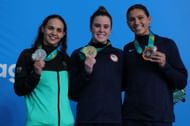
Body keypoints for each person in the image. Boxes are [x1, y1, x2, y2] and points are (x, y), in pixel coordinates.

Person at [122, 4, 188, 126]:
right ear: (128, 23)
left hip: (159, 117)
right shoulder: (128, 49)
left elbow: (182, 81)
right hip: (131, 117)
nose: (136, 22)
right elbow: (123, 83)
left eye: (140, 17)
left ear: (149, 19)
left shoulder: (167, 44)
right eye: (132, 19)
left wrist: (164, 65)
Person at [14, 14, 74, 126]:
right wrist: (36, 74)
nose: (54, 33)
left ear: (63, 34)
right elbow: (19, 89)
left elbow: (74, 92)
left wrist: (87, 72)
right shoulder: (27, 55)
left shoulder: (65, 58)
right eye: (51, 28)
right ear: (43, 29)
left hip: (67, 123)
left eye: (59, 30)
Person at [69, 6, 123, 126]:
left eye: (106, 26)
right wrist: (86, 72)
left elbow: (124, 86)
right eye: (97, 25)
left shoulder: (120, 55)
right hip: (86, 119)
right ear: (90, 28)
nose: (101, 30)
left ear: (111, 30)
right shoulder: (78, 54)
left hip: (113, 120)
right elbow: (71, 92)